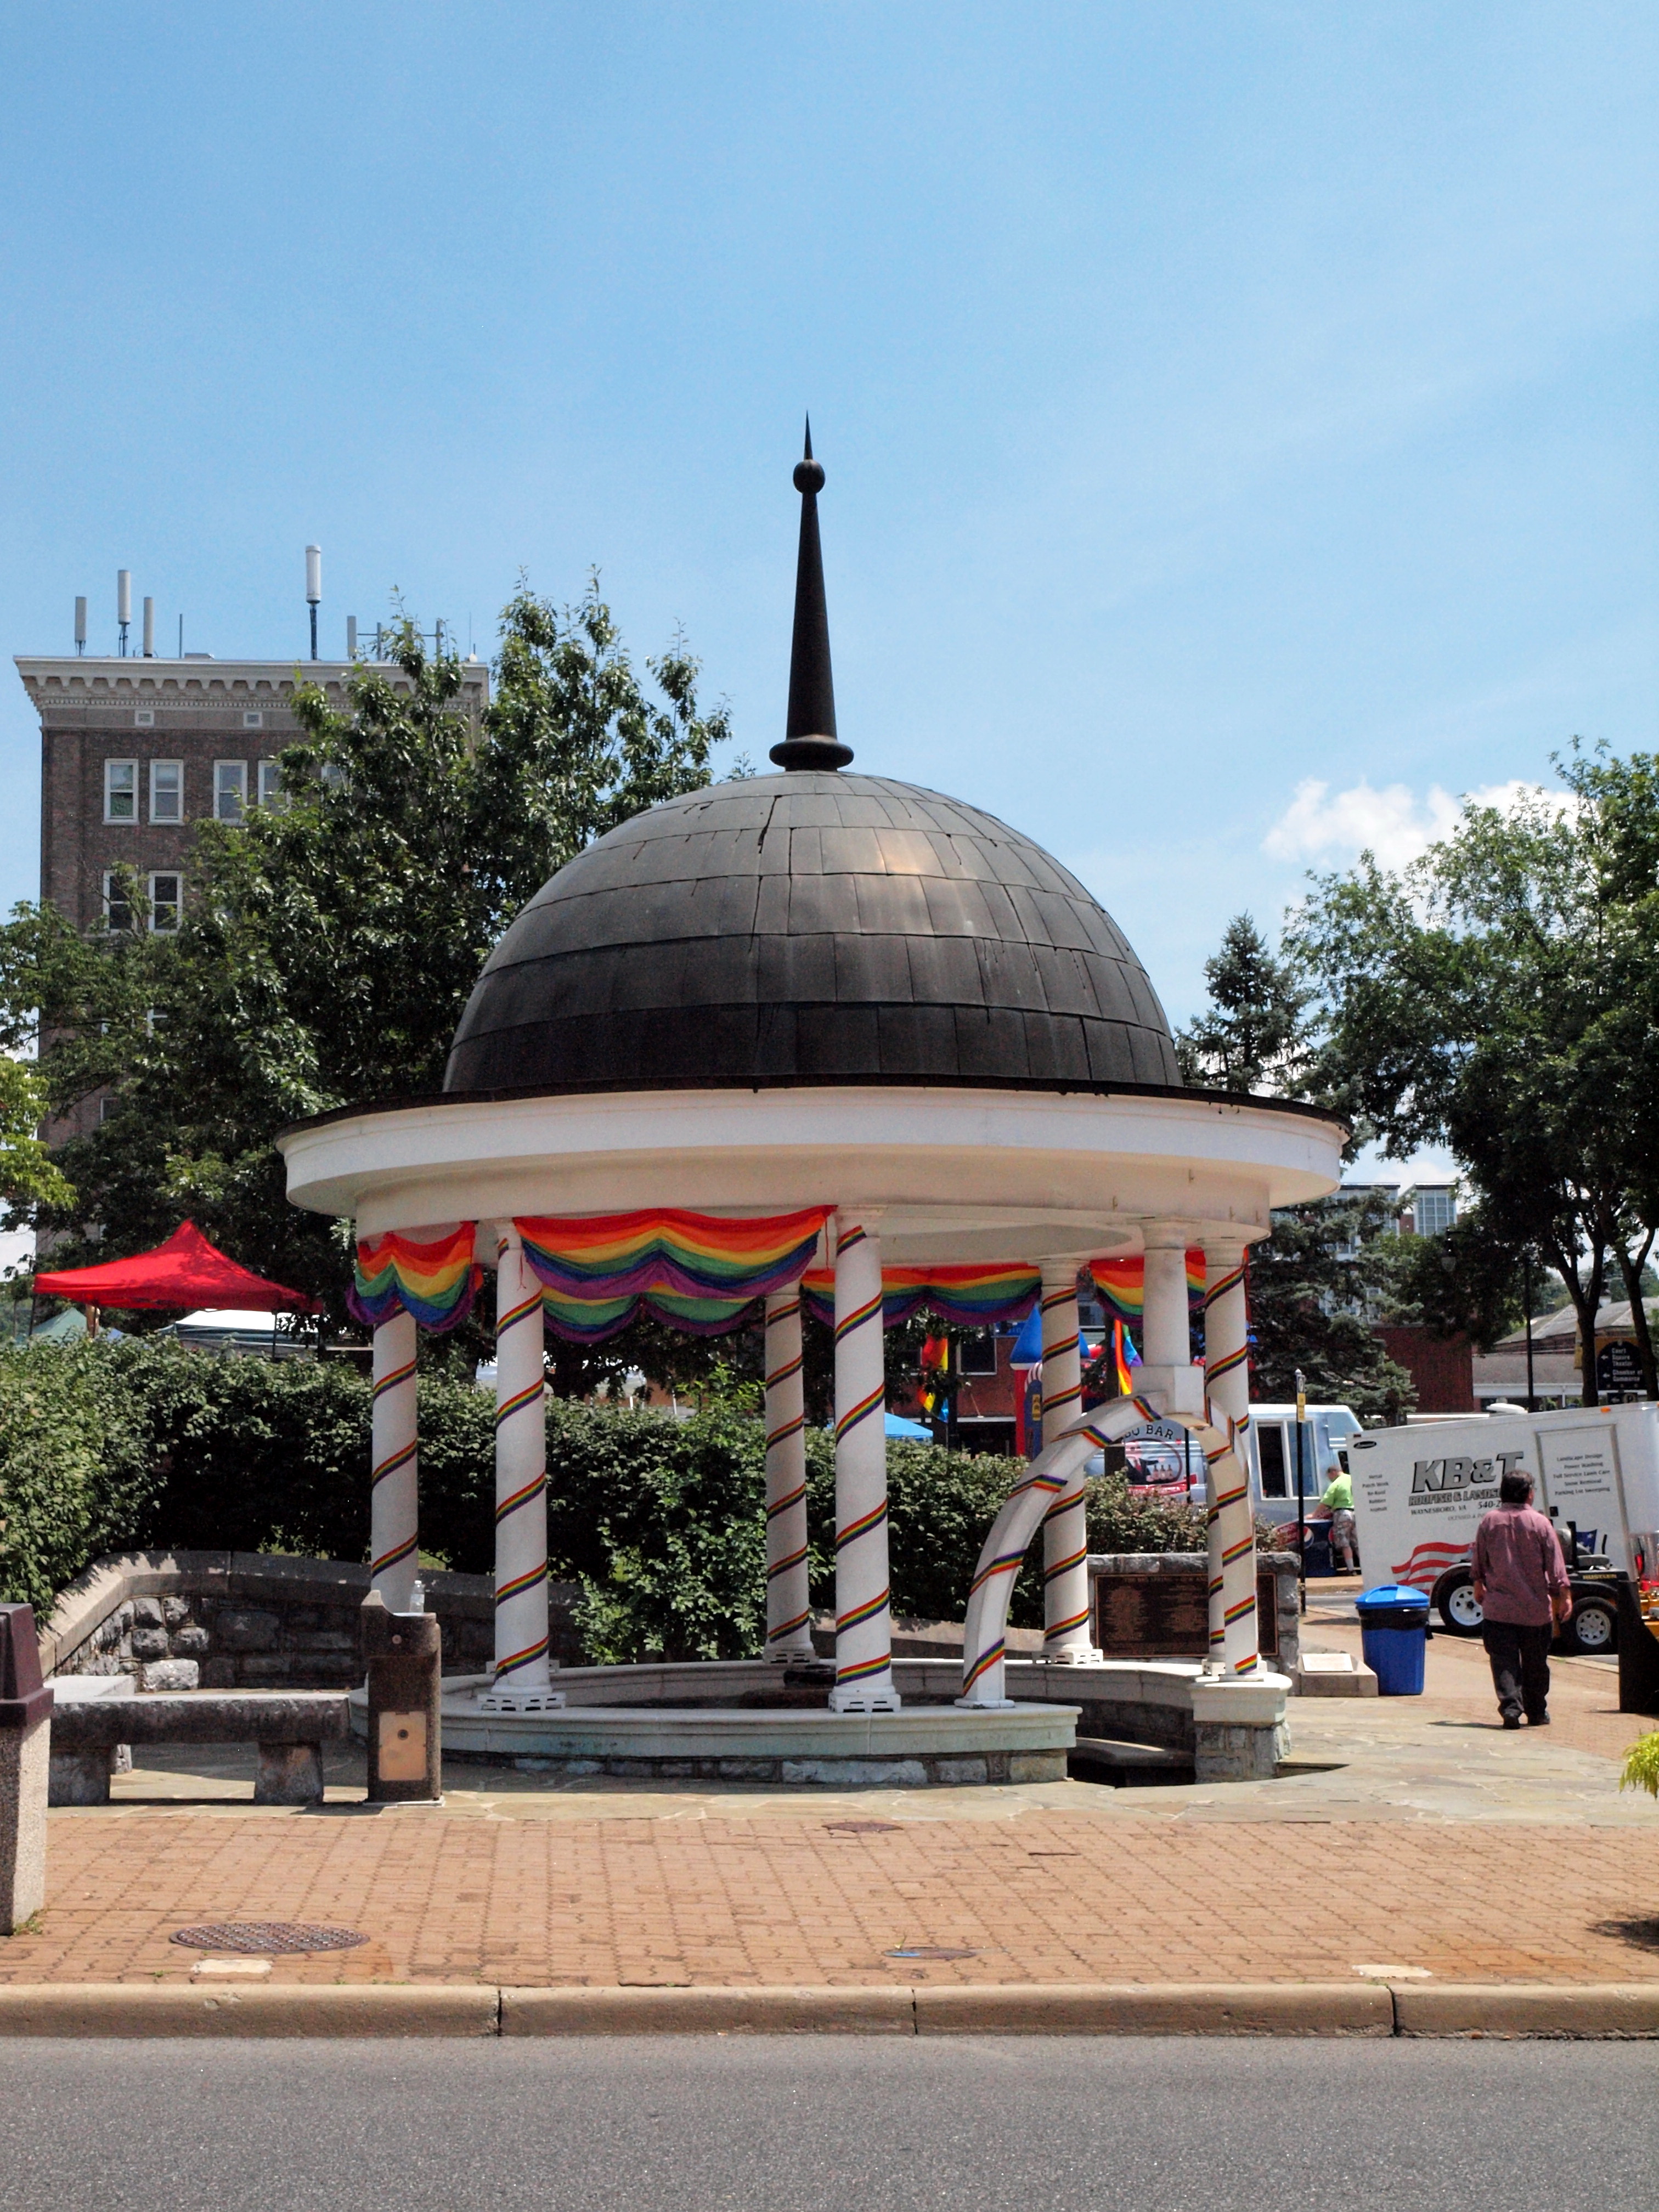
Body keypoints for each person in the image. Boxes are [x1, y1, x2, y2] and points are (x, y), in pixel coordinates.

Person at [1471, 1469, 1571, 1729]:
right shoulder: (1540, 1523)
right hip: (1535, 1611)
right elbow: (1556, 1564)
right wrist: (1565, 1596)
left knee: (1503, 1662)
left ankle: (1511, 1709)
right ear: (1529, 1494)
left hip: (1499, 1610)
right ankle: (1536, 1712)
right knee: (1536, 1664)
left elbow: (1479, 1559)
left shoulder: (1489, 1521)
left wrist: (1478, 1584)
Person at [1319, 1458, 1358, 1573]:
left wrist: (1315, 1515)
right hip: (1356, 1513)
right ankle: (1367, 1569)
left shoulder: (1336, 1484)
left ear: (1333, 1472)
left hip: (1342, 1514)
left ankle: (1351, 1569)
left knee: (1344, 1542)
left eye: (1329, 1477)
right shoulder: (1353, 1479)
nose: (1330, 1480)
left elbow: (1326, 1501)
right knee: (1357, 1542)